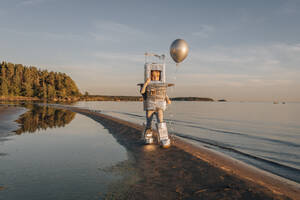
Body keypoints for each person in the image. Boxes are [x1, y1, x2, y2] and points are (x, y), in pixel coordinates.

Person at [140, 70, 171, 148]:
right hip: (150, 106)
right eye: (153, 76)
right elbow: (142, 91)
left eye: (156, 76)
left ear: (159, 77)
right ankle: (148, 137)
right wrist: (146, 83)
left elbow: (163, 93)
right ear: (150, 76)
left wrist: (167, 99)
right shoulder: (147, 84)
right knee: (148, 122)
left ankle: (164, 138)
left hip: (159, 106)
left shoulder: (160, 85)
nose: (155, 77)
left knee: (160, 121)